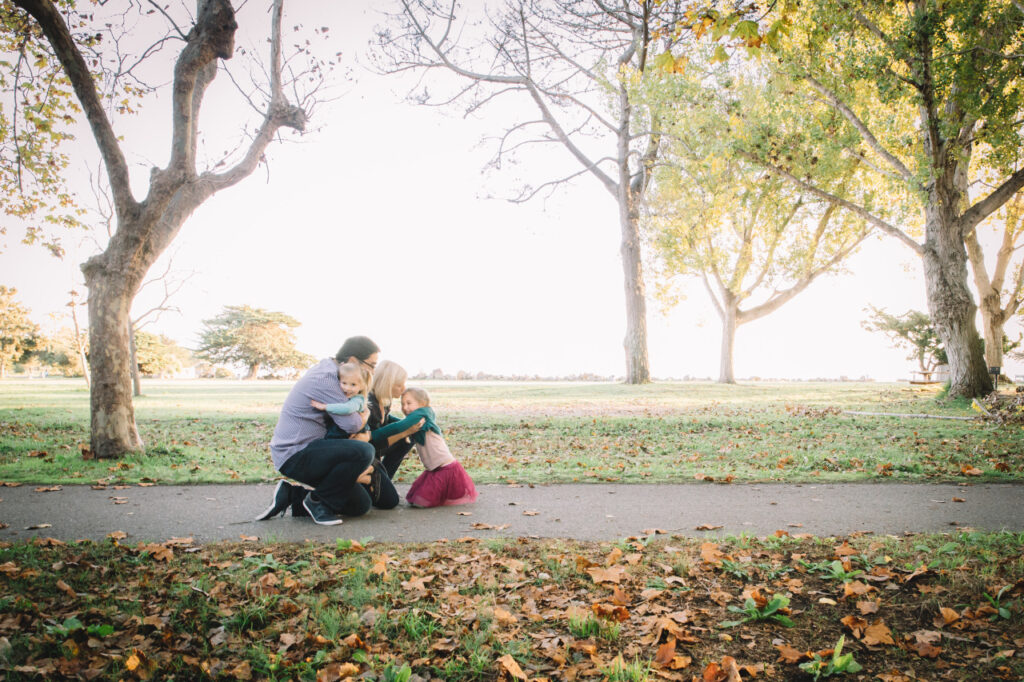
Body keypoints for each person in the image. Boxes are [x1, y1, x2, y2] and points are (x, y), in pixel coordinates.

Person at [257, 336, 393, 525]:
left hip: (314, 449)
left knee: (360, 505)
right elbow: (352, 424)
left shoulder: (334, 372)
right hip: (296, 453)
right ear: (353, 361)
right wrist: (365, 414)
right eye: (371, 365)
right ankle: (318, 502)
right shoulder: (328, 379)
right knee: (364, 451)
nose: (373, 371)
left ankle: (293, 495)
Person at [373, 387, 477, 507]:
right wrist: (386, 418)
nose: (405, 407)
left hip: (444, 466)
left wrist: (372, 435)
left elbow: (399, 426)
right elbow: (401, 423)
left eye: (409, 403)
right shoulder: (421, 414)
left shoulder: (421, 413)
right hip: (435, 466)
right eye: (402, 404)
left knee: (421, 502)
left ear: (422, 403)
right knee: (415, 499)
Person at [365, 360, 423, 478]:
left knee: (409, 437)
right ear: (387, 384)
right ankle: (380, 478)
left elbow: (385, 419)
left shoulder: (384, 400)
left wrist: (405, 423)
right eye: (399, 385)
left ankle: (385, 477)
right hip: (368, 451)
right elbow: (373, 443)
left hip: (377, 445)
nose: (403, 388)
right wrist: (405, 430)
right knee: (407, 436)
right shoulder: (369, 405)